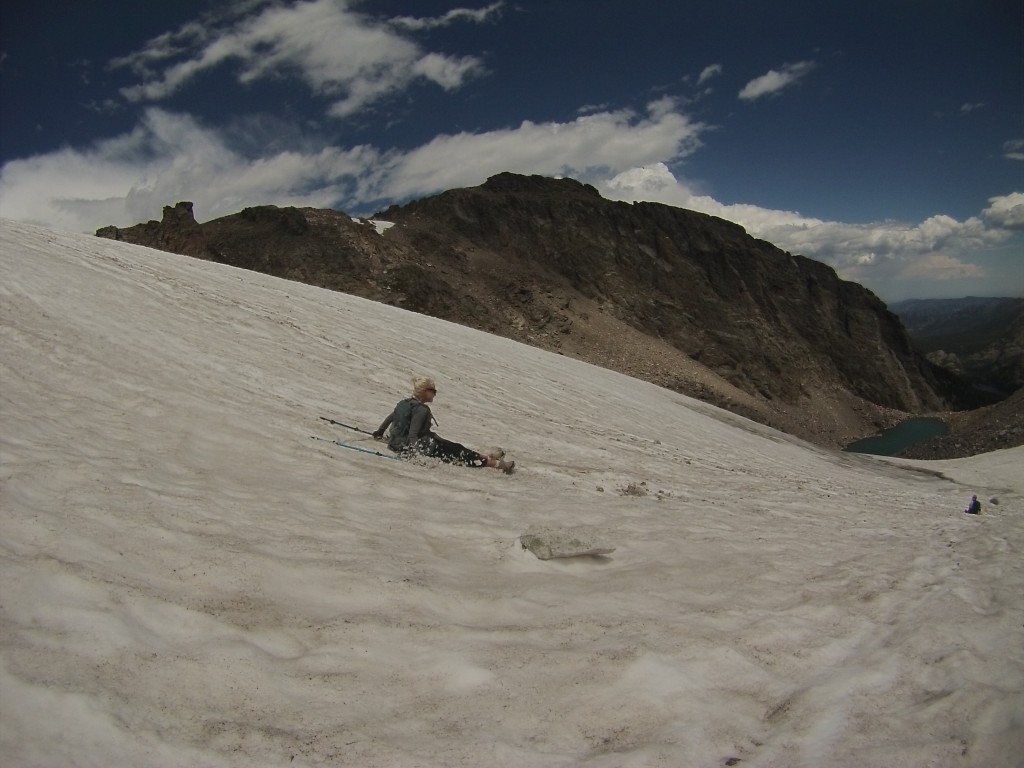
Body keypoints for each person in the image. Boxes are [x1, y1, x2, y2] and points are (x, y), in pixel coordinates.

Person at [373, 376, 515, 473]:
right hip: (422, 447)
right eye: (433, 391)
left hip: (396, 444)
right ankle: (498, 465)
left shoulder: (405, 403)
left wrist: (379, 432)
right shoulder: (421, 410)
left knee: (455, 447)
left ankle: (487, 457)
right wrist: (416, 454)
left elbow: (391, 417)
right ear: (424, 392)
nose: (435, 394)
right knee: (459, 452)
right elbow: (413, 435)